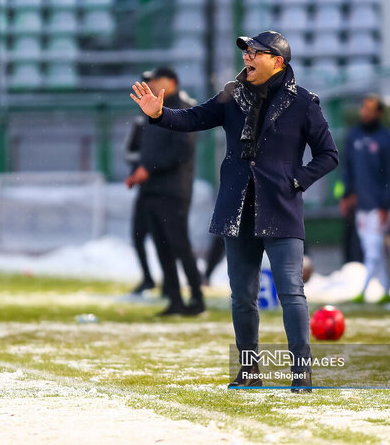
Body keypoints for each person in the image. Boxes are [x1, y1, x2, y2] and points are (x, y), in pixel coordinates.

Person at [131, 31, 338, 391]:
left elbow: (328, 155)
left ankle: (301, 372)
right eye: (246, 51)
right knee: (242, 296)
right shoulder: (232, 95)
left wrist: (296, 181)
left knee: (291, 292)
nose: (247, 56)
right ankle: (249, 370)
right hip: (237, 209)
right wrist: (160, 114)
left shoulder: (304, 102)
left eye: (256, 52)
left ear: (278, 62)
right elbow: (192, 119)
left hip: (281, 209)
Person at [125, 67, 205, 315]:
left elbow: (181, 151)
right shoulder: (152, 107)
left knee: (179, 245)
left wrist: (148, 168)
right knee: (161, 246)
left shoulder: (183, 107)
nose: (152, 84)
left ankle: (197, 299)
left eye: (157, 80)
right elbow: (147, 149)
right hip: (151, 189)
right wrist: (141, 170)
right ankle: (174, 299)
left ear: (172, 82)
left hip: (173, 190)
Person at [340, 95, 390, 304]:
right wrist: (347, 195)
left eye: (371, 109)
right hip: (360, 204)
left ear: (379, 113)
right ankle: (386, 289)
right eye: (364, 108)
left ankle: (363, 291)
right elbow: (348, 168)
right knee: (371, 249)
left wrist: (385, 205)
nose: (366, 112)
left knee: (372, 250)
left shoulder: (385, 139)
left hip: (378, 206)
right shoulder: (354, 135)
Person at [124, 71, 156, 294]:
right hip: (146, 189)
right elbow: (129, 152)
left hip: (166, 189)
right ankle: (147, 277)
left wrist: (150, 165)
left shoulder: (176, 112)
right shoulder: (139, 122)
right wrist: (140, 168)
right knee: (138, 235)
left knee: (170, 240)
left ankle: (176, 285)